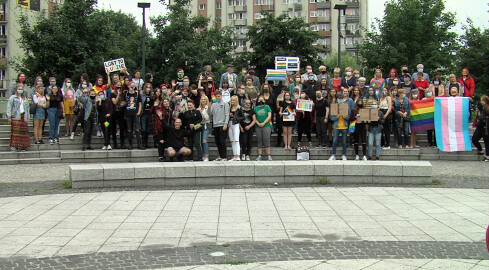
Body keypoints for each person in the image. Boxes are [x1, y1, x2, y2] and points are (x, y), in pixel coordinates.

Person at [329, 90, 353, 160]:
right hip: (336, 126)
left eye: (341, 98)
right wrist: (336, 116)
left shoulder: (347, 107)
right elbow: (331, 118)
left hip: (344, 126)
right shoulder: (334, 107)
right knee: (334, 141)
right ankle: (333, 154)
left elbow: (349, 117)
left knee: (344, 142)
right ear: (337, 99)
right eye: (339, 98)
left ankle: (344, 155)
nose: (340, 100)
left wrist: (346, 117)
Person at [6, 84, 30, 151]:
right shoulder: (13, 98)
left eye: (21, 89)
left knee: (23, 132)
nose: (20, 90)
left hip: (23, 116)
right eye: (19, 89)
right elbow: (9, 107)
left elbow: (27, 109)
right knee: (15, 132)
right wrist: (9, 116)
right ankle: (14, 146)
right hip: (16, 116)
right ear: (16, 90)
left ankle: (23, 146)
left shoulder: (24, 99)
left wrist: (28, 118)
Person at [209, 90, 229, 161]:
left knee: (222, 141)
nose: (218, 97)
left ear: (221, 96)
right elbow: (211, 113)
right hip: (215, 125)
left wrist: (225, 124)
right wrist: (210, 105)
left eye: (219, 96)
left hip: (222, 124)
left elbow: (227, 114)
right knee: (217, 141)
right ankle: (220, 155)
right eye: (216, 96)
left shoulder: (225, 104)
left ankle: (224, 156)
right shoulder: (214, 105)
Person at [123, 81, 143, 150]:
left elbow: (140, 103)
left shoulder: (137, 94)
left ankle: (139, 144)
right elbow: (123, 103)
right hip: (128, 113)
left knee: (137, 129)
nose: (132, 87)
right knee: (129, 129)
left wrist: (139, 111)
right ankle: (130, 144)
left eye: (133, 86)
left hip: (135, 113)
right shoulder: (126, 94)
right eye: (131, 86)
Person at [254, 95, 273, 161]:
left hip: (266, 125)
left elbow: (269, 116)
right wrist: (258, 123)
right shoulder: (255, 108)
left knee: (266, 140)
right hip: (258, 126)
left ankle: (269, 155)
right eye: (259, 100)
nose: (260, 101)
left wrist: (264, 123)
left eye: (262, 100)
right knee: (259, 140)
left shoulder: (267, 107)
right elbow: (254, 117)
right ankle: (259, 155)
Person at [110, 82, 127, 149]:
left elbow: (125, 101)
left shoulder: (123, 94)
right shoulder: (112, 94)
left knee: (122, 127)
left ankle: (122, 143)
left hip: (121, 111)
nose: (119, 87)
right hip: (114, 112)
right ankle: (115, 143)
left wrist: (124, 103)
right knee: (113, 128)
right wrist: (118, 95)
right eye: (117, 86)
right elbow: (114, 102)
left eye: (120, 86)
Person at [472, 96, 489, 161]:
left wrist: (483, 108)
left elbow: (487, 113)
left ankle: (487, 156)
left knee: (486, 141)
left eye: (483, 100)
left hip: (486, 125)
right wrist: (473, 125)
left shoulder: (487, 107)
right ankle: (480, 150)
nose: (482, 102)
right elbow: (477, 117)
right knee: (474, 139)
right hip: (480, 125)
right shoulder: (480, 108)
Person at [228, 96, 244, 161]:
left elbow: (243, 117)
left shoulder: (239, 108)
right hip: (230, 123)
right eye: (232, 100)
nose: (232, 102)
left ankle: (238, 155)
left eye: (234, 100)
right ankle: (234, 155)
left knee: (236, 140)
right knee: (232, 141)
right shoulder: (229, 108)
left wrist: (236, 118)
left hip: (236, 124)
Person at [198, 95, 211, 162]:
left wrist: (200, 112)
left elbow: (207, 117)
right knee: (200, 141)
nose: (203, 100)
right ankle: (202, 154)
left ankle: (206, 155)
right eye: (202, 99)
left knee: (204, 140)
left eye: (204, 99)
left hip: (206, 125)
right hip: (200, 125)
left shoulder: (208, 108)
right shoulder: (199, 108)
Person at [140, 83, 153, 149]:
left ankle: (146, 143)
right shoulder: (142, 94)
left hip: (149, 113)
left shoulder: (151, 95)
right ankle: (143, 143)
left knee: (148, 129)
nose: (148, 88)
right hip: (144, 113)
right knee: (143, 128)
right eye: (147, 87)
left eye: (149, 87)